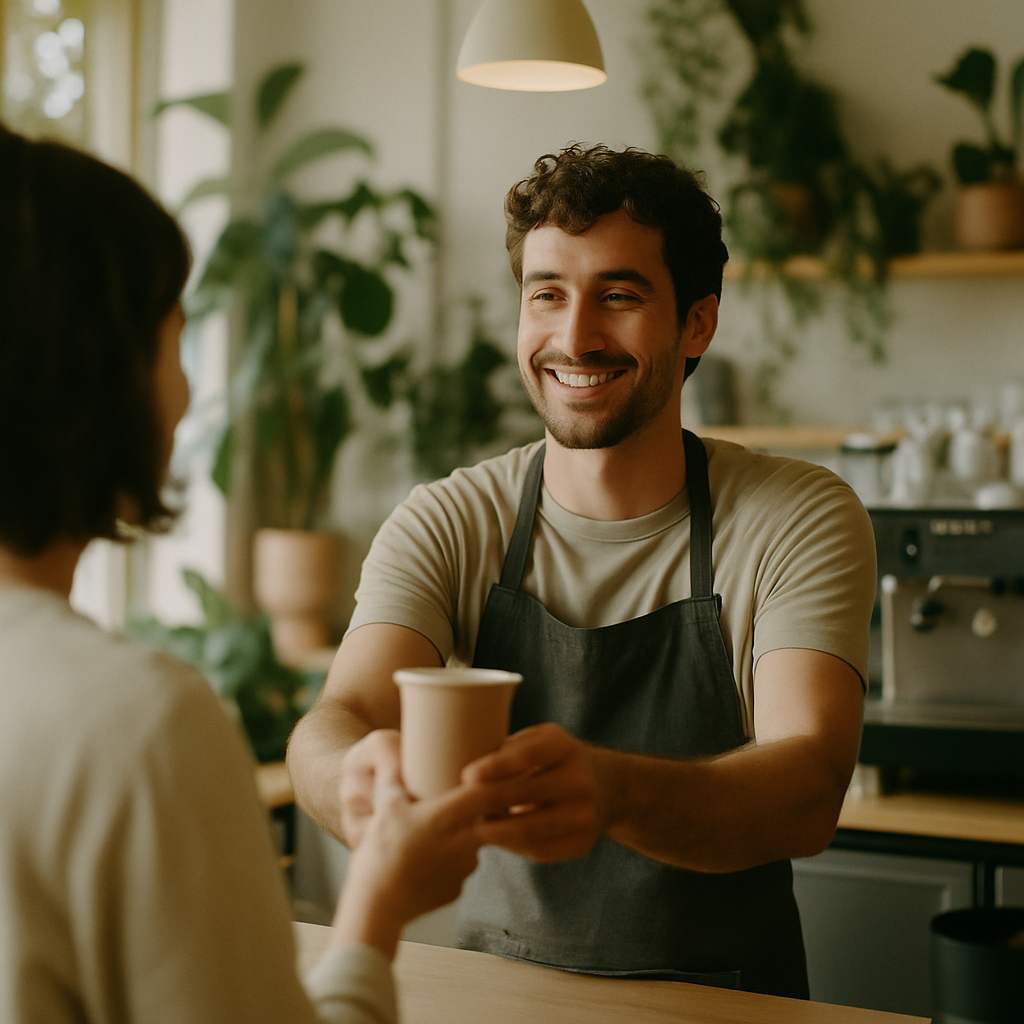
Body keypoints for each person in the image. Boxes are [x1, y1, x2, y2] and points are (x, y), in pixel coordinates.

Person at [286, 143, 877, 998]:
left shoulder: (796, 516)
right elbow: (335, 717)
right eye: (547, 295)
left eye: (620, 296)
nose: (575, 337)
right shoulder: (451, 519)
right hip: (492, 994)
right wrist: (357, 780)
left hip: (726, 1004)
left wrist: (613, 793)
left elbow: (808, 784)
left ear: (698, 323)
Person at [0, 123, 507, 1024]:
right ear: (93, 372)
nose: (189, 392)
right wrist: (376, 906)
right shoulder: (135, 727)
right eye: (173, 342)